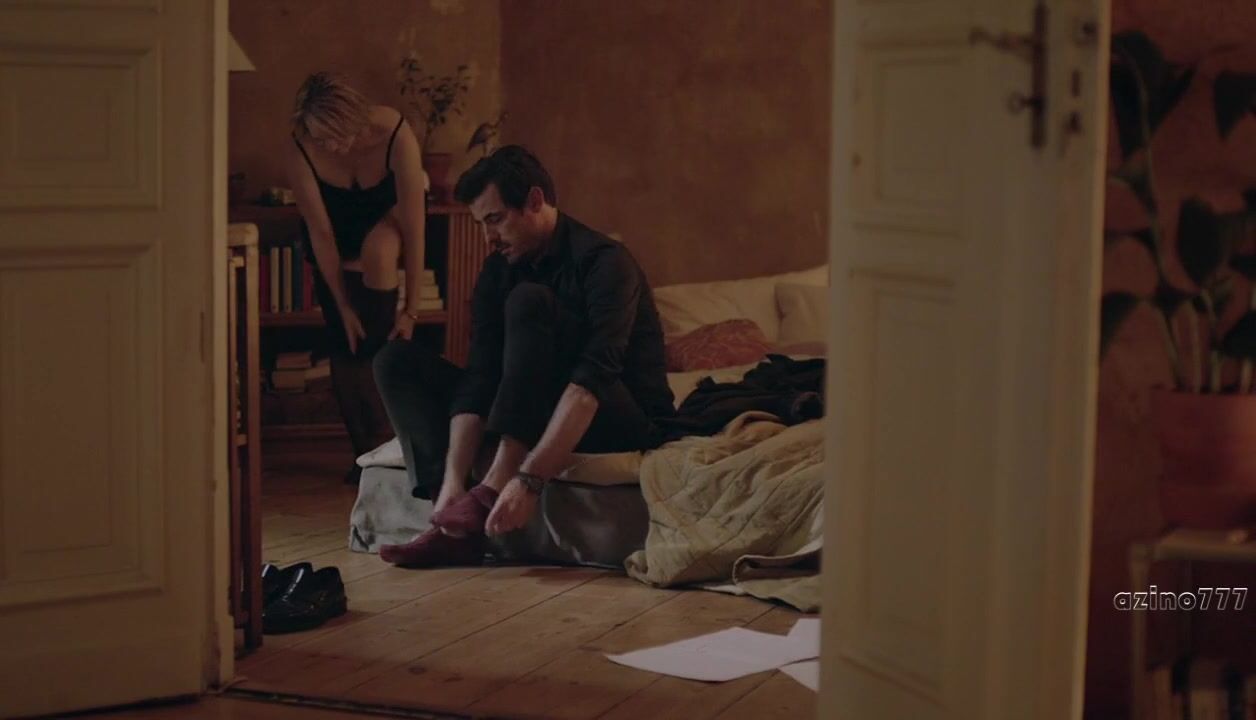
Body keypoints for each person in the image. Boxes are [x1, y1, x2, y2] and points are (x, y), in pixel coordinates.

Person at [373, 145, 675, 567]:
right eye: (481, 224)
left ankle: (490, 490)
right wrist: (453, 481)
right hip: (532, 403)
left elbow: (593, 381)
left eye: (495, 220)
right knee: (395, 360)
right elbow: (480, 376)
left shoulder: (605, 262)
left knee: (529, 300)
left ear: (534, 201)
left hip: (617, 415)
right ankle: (452, 523)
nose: (488, 238)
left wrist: (528, 481)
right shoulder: (498, 269)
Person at [287, 72, 428, 484]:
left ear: (349, 118)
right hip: (333, 237)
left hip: (384, 224)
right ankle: (361, 453)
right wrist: (343, 306)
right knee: (344, 341)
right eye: (318, 139)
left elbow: (415, 226)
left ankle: (390, 445)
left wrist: (411, 310)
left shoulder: (395, 133)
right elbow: (320, 233)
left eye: (331, 136)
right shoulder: (301, 149)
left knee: (379, 265)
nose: (327, 147)